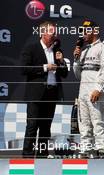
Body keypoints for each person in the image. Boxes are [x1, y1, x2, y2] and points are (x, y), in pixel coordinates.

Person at [21, 21, 68, 158]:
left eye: (55, 32)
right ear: (43, 33)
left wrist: (61, 62)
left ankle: (43, 155)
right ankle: (27, 156)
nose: (55, 35)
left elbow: (64, 74)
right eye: (52, 32)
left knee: (46, 127)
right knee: (32, 125)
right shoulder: (31, 48)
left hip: (51, 93)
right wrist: (45, 67)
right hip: (35, 94)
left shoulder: (57, 50)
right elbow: (24, 69)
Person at [73, 20, 104, 157]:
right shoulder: (83, 51)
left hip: (94, 89)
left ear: (95, 31)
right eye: (82, 31)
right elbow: (78, 74)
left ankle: (102, 149)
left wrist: (98, 88)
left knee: (97, 120)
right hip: (82, 89)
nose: (83, 34)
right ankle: (86, 148)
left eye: (86, 30)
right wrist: (76, 59)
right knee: (83, 123)